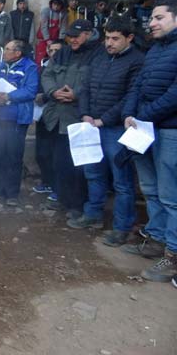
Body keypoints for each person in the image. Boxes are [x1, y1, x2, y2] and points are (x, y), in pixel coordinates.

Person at [70, 16, 144, 245]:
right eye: (107, 38)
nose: (108, 43)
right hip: (90, 125)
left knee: (122, 181)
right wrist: (85, 114)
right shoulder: (100, 56)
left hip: (115, 130)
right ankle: (93, 214)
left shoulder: (137, 61)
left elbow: (131, 96)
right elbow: (85, 87)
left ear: (129, 38)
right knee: (93, 173)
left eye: (115, 39)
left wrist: (103, 119)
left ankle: (122, 227)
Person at [121, 0, 177, 283]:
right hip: (143, 130)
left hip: (169, 131)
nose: (151, 23)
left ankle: (173, 256)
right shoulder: (155, 50)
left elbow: (173, 96)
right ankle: (155, 239)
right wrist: (130, 112)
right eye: (151, 18)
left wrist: (144, 116)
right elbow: (138, 85)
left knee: (171, 196)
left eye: (158, 18)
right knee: (151, 189)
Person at [41, 19, 101, 217]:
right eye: (70, 36)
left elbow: (97, 82)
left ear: (88, 33)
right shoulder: (62, 53)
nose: (72, 40)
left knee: (80, 166)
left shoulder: (97, 54)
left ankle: (77, 205)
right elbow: (47, 74)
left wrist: (77, 94)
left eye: (77, 36)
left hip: (79, 118)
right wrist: (53, 91)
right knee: (59, 162)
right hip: (57, 117)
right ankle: (61, 198)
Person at [0, 39, 38, 206]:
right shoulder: (1, 66)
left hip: (16, 119)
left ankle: (12, 193)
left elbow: (30, 91)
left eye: (7, 49)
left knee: (14, 156)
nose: (4, 52)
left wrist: (8, 96)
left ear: (17, 53)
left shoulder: (30, 67)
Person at [32, 40, 63, 201]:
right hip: (41, 115)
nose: (54, 53)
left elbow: (60, 90)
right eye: (51, 50)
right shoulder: (43, 67)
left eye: (58, 50)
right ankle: (47, 182)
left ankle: (58, 187)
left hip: (57, 116)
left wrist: (44, 96)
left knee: (55, 154)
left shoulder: (64, 69)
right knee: (41, 153)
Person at [35, 0, 66, 66]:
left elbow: (63, 28)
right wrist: (47, 39)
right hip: (43, 41)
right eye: (54, 4)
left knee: (54, 60)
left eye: (58, 4)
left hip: (55, 41)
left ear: (61, 5)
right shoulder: (45, 11)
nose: (56, 6)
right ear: (51, 4)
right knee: (40, 60)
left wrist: (60, 40)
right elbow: (44, 26)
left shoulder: (64, 14)